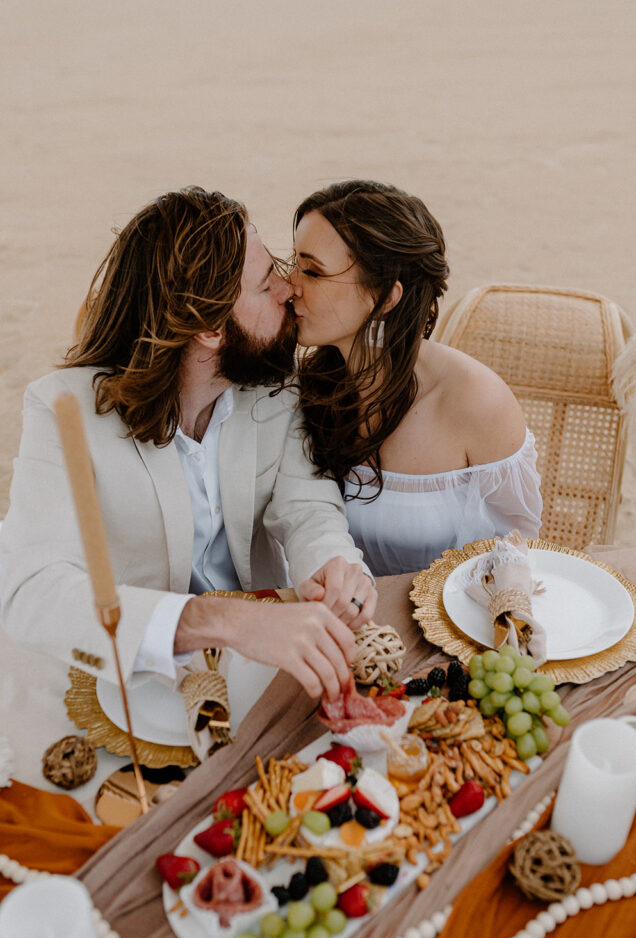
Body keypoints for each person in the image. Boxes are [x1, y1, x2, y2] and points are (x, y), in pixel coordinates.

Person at [0, 186, 377, 703]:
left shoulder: (272, 389)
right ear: (208, 326)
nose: (289, 289)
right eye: (267, 283)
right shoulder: (62, 411)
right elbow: (29, 593)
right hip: (126, 690)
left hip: (259, 675)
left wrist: (334, 568)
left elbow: (309, 510)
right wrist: (221, 619)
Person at [289, 180, 543, 576]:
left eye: (312, 271)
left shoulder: (476, 402)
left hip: (446, 626)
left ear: (385, 297)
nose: (291, 286)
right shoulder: (303, 389)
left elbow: (517, 548)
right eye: (293, 263)